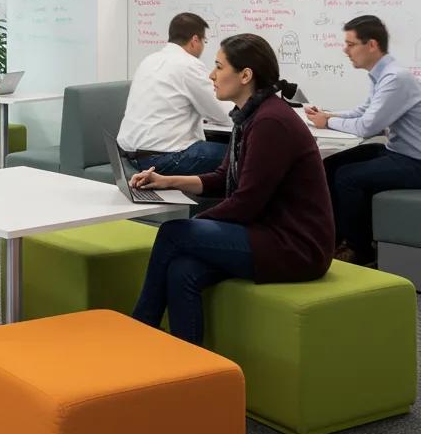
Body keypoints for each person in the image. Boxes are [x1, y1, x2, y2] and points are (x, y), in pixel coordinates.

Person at [130, 34, 334, 346]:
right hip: (266, 234)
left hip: (296, 247)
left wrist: (195, 228)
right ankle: (189, 362)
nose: (211, 75)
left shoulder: (271, 122)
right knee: (182, 270)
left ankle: (140, 332)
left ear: (245, 75)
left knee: (174, 233)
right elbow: (223, 177)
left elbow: (246, 203)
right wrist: (167, 180)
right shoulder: (249, 115)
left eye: (219, 66)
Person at [305, 15, 421, 266]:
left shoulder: (395, 78)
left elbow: (368, 126)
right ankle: (332, 238)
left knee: (348, 177)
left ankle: (361, 251)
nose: (345, 50)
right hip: (397, 151)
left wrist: (327, 122)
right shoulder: (383, 75)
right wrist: (329, 115)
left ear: (372, 45)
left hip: (414, 162)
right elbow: (363, 111)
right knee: (330, 165)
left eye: (350, 44)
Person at [117, 12, 232, 175]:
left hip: (127, 155)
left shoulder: (149, 60)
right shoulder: (189, 65)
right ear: (195, 40)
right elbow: (223, 115)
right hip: (161, 158)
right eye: (204, 41)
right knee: (243, 153)